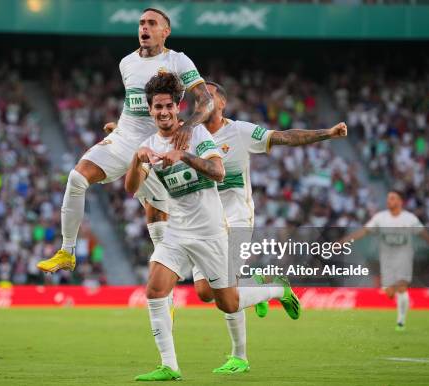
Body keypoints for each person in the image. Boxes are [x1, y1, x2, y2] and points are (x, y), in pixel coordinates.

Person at [126, 73, 298, 381]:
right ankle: (169, 366)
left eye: (168, 106)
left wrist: (185, 156)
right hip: (177, 231)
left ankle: (274, 288)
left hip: (211, 232)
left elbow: (218, 172)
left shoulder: (198, 135)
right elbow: (131, 188)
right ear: (150, 111)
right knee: (155, 287)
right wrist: (136, 161)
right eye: (157, 107)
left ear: (177, 107)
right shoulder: (149, 144)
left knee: (227, 302)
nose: (163, 112)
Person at [183, 81, 347, 373]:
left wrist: (328, 133)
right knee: (205, 293)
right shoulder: (189, 136)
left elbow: (284, 137)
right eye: (197, 97)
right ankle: (269, 286)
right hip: (203, 223)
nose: (202, 100)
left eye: (208, 95)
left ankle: (239, 356)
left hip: (236, 219)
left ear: (222, 103)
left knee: (226, 291)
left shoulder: (239, 131)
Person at [37, 8, 214, 273]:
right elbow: (135, 107)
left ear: (165, 32)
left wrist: (187, 127)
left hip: (154, 148)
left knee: (156, 219)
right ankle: (67, 251)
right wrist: (120, 125)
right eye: (141, 23)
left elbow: (206, 100)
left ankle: (167, 291)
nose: (144, 27)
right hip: (122, 141)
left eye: (152, 23)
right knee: (77, 178)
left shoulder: (179, 61)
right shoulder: (126, 63)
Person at [340, 191, 429, 331]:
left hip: (404, 257)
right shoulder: (380, 218)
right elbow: (364, 231)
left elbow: (425, 235)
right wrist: (344, 241)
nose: (389, 200)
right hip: (386, 259)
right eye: (388, 198)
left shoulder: (410, 219)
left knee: (402, 287)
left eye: (392, 198)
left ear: (400, 201)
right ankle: (398, 300)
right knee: (390, 292)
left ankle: (401, 321)